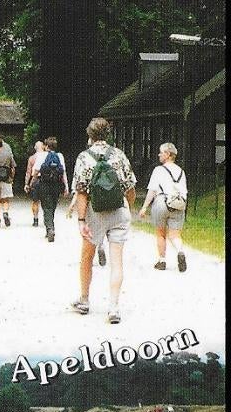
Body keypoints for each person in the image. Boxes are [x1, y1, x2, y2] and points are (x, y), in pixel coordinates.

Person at [71, 118, 137, 324]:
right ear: (107, 134)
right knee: (117, 262)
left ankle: (84, 300)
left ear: (89, 135)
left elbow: (81, 191)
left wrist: (81, 220)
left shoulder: (83, 157)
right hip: (119, 211)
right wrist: (129, 208)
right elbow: (130, 187)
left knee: (87, 258)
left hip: (95, 213)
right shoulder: (119, 155)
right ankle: (114, 307)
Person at [138, 142, 188, 272]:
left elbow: (152, 190)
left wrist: (144, 207)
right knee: (175, 235)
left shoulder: (158, 170)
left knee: (160, 233)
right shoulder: (181, 171)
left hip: (161, 202)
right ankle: (180, 251)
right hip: (178, 204)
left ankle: (162, 261)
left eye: (161, 152)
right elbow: (184, 191)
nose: (159, 154)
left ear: (168, 154)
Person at [30, 137, 69, 242]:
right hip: (56, 185)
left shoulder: (42, 155)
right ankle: (50, 225)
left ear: (46, 146)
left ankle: (50, 229)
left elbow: (36, 172)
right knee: (52, 206)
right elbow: (63, 172)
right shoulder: (60, 156)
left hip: (44, 184)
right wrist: (66, 187)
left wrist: (32, 183)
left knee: (46, 207)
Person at [23, 141, 45, 226]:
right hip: (46, 180)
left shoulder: (32, 158)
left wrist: (26, 184)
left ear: (35, 148)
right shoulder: (47, 156)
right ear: (43, 147)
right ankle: (47, 218)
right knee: (45, 201)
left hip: (35, 181)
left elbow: (28, 172)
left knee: (35, 201)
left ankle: (35, 219)